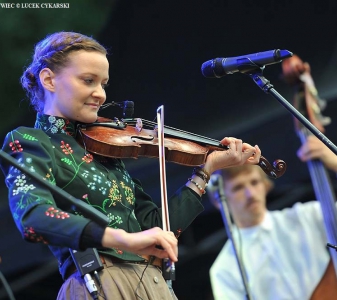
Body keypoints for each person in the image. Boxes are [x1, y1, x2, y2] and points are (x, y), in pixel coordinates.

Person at [0, 31, 262, 300]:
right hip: (100, 282)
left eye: (104, 83)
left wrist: (206, 170)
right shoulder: (31, 141)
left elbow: (158, 227)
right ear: (48, 80)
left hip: (154, 282)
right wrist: (121, 239)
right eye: (88, 80)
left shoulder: (104, 147)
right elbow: (33, 217)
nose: (100, 94)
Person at [208, 135, 337, 300]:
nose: (250, 193)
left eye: (255, 182)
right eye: (238, 187)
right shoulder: (224, 268)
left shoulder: (305, 217)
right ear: (219, 200)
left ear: (265, 185)